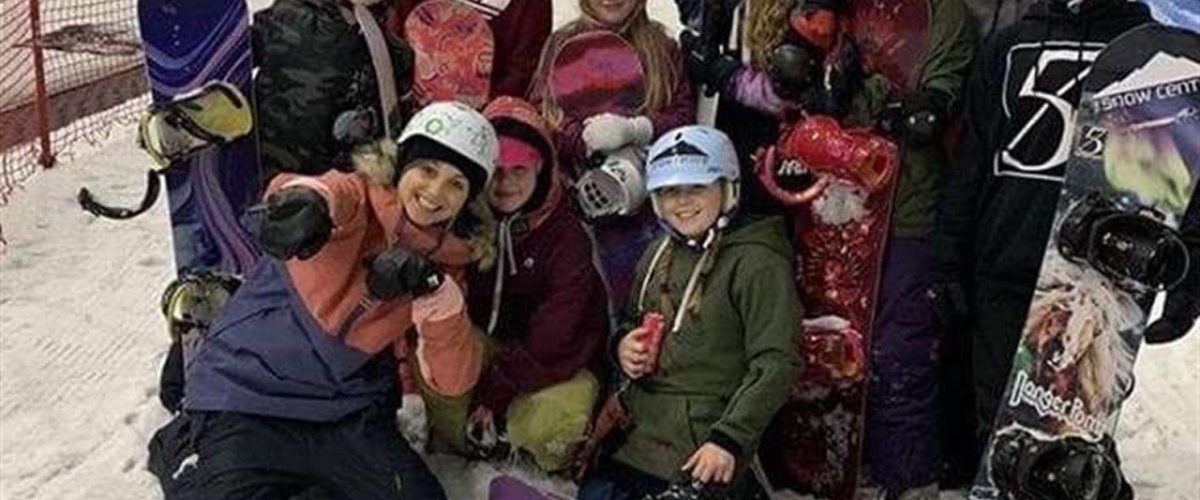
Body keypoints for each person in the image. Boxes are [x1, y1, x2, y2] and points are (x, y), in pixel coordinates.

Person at [146, 102, 498, 500]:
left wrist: (435, 296)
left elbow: (452, 382)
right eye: (428, 170)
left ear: (468, 199)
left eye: (456, 184)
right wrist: (305, 203)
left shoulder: (447, 268)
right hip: (249, 395)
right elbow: (323, 190)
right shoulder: (357, 196)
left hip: (344, 414)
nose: (435, 192)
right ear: (401, 165)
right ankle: (189, 436)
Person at [930, 0, 1154, 460]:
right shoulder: (1010, 45)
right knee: (1000, 433)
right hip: (1005, 262)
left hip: (1096, 285)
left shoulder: (1154, 54)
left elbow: (1181, 172)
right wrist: (948, 253)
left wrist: (1190, 267)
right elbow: (975, 159)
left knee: (1074, 430)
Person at [577, 125, 799, 499]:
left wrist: (728, 439)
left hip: (706, 440)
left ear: (727, 188)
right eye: (668, 191)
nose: (681, 202)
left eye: (697, 187)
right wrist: (624, 345)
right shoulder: (657, 253)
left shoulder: (757, 263)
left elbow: (776, 361)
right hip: (639, 434)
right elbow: (632, 320)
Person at [416, 96, 610, 473]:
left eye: (519, 169)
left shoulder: (566, 237)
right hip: (490, 347)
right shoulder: (462, 223)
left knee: (551, 425)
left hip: (556, 362)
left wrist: (498, 391)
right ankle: (469, 448)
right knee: (437, 382)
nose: (506, 183)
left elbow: (558, 333)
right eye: (497, 171)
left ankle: (536, 461)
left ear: (541, 169)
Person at [528, 0, 696, 310]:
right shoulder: (561, 45)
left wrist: (637, 129)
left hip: (647, 205)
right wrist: (584, 140)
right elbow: (543, 117)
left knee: (646, 293)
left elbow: (682, 117)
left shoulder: (661, 47)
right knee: (588, 295)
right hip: (579, 198)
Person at [253, 0, 414, 177]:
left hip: (333, 183)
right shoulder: (286, 16)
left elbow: (392, 129)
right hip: (260, 168)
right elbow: (236, 57)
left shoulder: (395, 54)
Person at [386, 0, 552, 100]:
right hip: (409, 107)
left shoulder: (530, 5)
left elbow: (523, 72)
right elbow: (396, 42)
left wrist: (482, 113)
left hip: (485, 123)